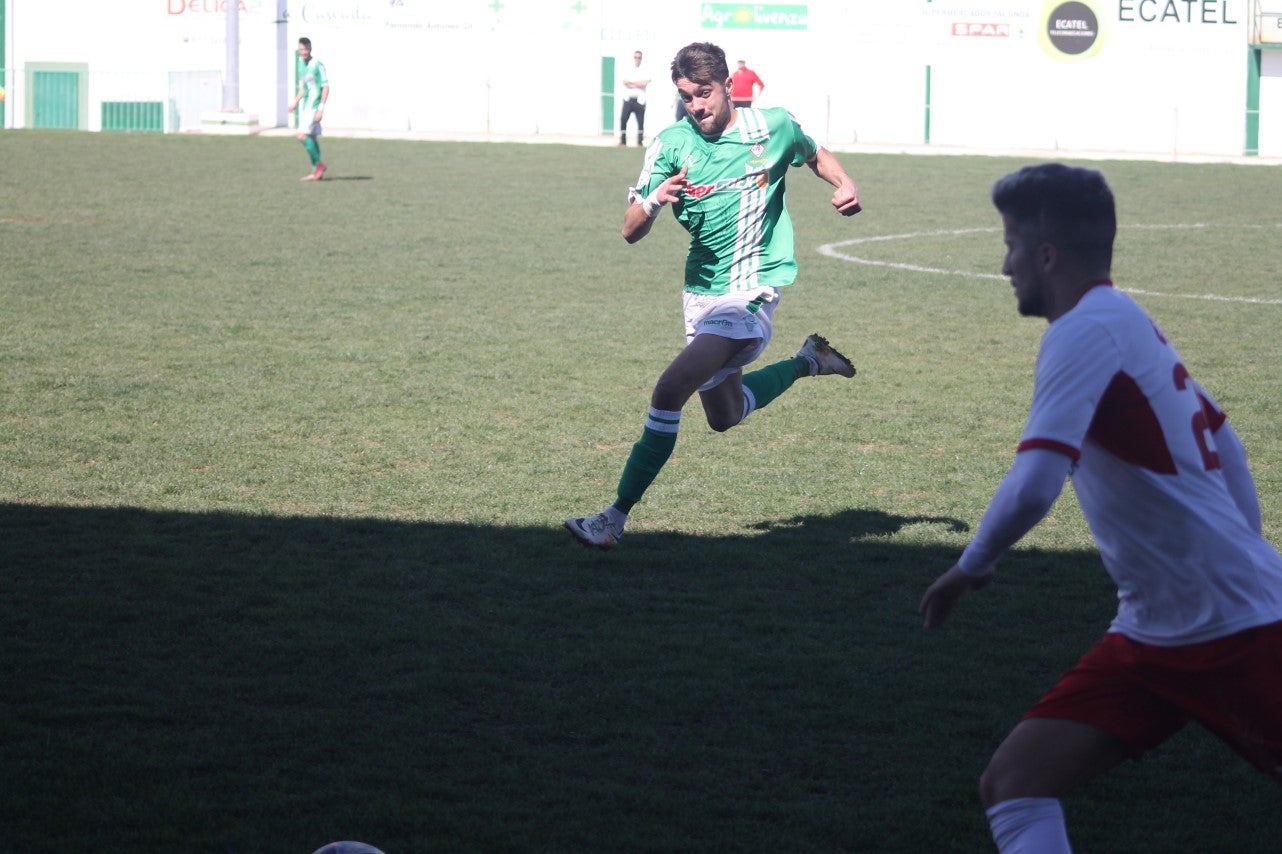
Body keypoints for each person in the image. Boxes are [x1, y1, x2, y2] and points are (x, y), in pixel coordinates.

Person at [919, 163, 1282, 853]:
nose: (1005, 266)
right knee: (1015, 781)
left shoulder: (1082, 330)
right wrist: (1246, 551)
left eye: (1011, 246)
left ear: (1046, 255)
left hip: (1235, 628)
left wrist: (972, 565)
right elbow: (1228, 445)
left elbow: (1036, 482)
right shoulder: (1124, 317)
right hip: (1155, 634)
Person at [565, 41, 862, 550]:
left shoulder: (771, 127)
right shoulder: (670, 144)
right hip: (701, 291)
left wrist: (843, 182)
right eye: (687, 97)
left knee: (668, 390)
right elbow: (629, 230)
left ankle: (612, 519)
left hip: (752, 290)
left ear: (728, 85)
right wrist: (657, 199)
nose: (697, 106)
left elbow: (813, 152)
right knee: (725, 416)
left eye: (704, 93)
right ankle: (806, 362)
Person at [288, 37, 329, 181]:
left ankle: (319, 165)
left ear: (310, 48)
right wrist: (294, 103)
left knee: (301, 135)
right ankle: (316, 172)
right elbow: (303, 89)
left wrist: (321, 108)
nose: (303, 52)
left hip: (314, 107)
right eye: (300, 50)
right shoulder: (300, 64)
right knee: (311, 137)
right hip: (305, 106)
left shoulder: (318, 65)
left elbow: (326, 87)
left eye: (305, 49)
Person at [619, 50, 651, 147]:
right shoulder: (628, 69)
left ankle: (639, 142)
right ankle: (623, 141)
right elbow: (625, 82)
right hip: (628, 99)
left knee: (640, 121)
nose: (637, 59)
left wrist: (632, 83)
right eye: (635, 57)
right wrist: (638, 83)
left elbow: (645, 83)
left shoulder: (645, 70)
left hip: (640, 100)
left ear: (641, 58)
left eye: (639, 57)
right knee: (623, 119)